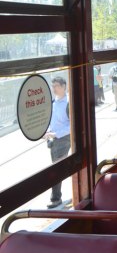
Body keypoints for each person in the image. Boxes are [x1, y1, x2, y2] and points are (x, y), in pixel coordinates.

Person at [44, 76, 71, 208]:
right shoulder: (53, 103)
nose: (54, 88)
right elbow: (52, 121)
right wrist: (48, 133)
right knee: (57, 167)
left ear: (64, 86)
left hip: (64, 139)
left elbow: (72, 126)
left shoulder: (68, 103)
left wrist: (56, 134)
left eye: (56, 86)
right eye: (53, 86)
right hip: (53, 139)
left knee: (56, 168)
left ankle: (55, 198)